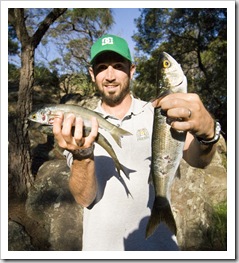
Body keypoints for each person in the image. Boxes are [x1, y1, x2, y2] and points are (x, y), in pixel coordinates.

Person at [53, 34, 220, 251]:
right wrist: (82, 155)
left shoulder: (161, 112)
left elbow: (200, 160)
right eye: (102, 67)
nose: (110, 75)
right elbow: (85, 198)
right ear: (92, 74)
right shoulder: (79, 124)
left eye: (118, 66)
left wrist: (208, 135)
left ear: (131, 70)